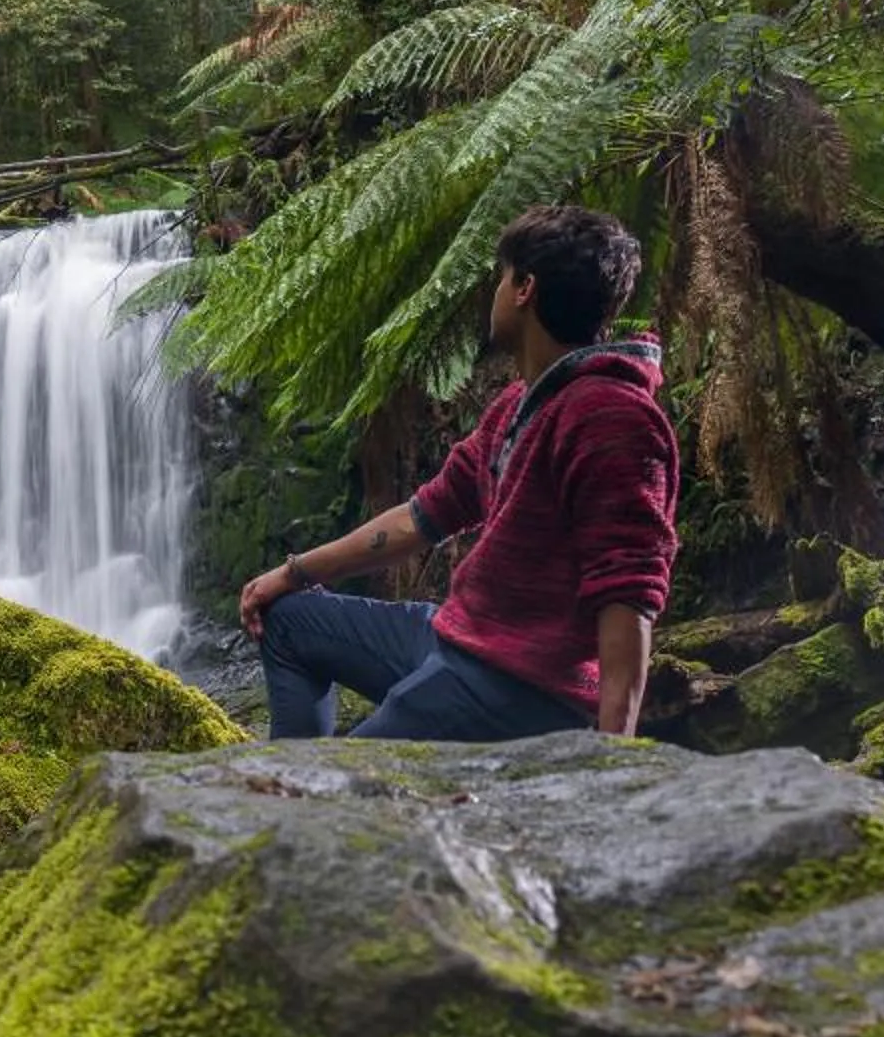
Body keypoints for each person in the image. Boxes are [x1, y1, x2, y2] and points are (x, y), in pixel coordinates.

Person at [241, 204, 678, 742]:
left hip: (519, 687)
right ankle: (292, 772)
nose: (495, 291)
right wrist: (292, 575)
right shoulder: (520, 404)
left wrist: (612, 761)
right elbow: (422, 517)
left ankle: (303, 790)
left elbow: (629, 593)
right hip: (460, 638)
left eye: (501, 276)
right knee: (289, 620)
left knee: (339, 782)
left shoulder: (612, 416)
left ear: (524, 288)